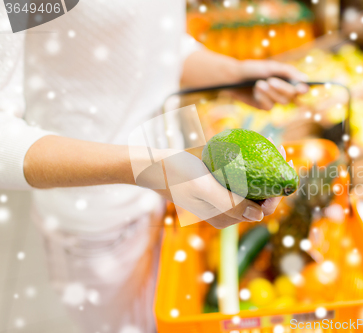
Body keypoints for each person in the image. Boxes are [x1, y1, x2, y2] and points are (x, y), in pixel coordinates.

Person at [0, 1, 308, 332]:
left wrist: (230, 74)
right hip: (100, 219)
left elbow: (155, 39)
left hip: (166, 190)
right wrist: (147, 168)